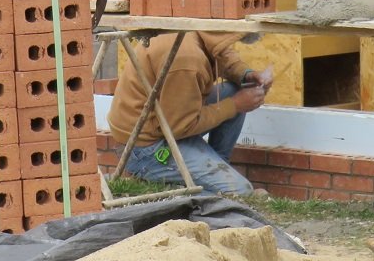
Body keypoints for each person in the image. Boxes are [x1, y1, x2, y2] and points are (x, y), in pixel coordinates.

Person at [107, 31, 274, 197]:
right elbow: (179, 127)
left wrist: (245, 74)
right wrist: (235, 105)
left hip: (164, 122)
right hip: (144, 147)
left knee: (235, 90)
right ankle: (166, 187)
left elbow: (221, 51)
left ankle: (216, 170)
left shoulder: (200, 30)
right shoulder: (187, 60)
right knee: (240, 191)